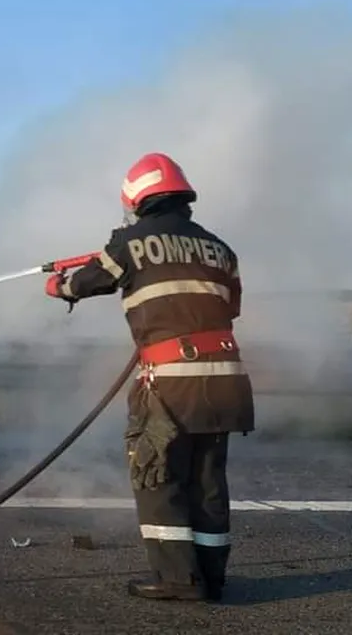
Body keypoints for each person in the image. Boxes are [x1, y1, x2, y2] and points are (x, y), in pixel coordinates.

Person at [44, 151, 254, 602]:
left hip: (171, 383)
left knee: (158, 477)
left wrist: (58, 284)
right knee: (208, 481)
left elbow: (86, 283)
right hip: (226, 380)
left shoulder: (129, 243)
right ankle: (211, 578)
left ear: (138, 198)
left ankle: (178, 580)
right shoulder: (221, 248)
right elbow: (231, 307)